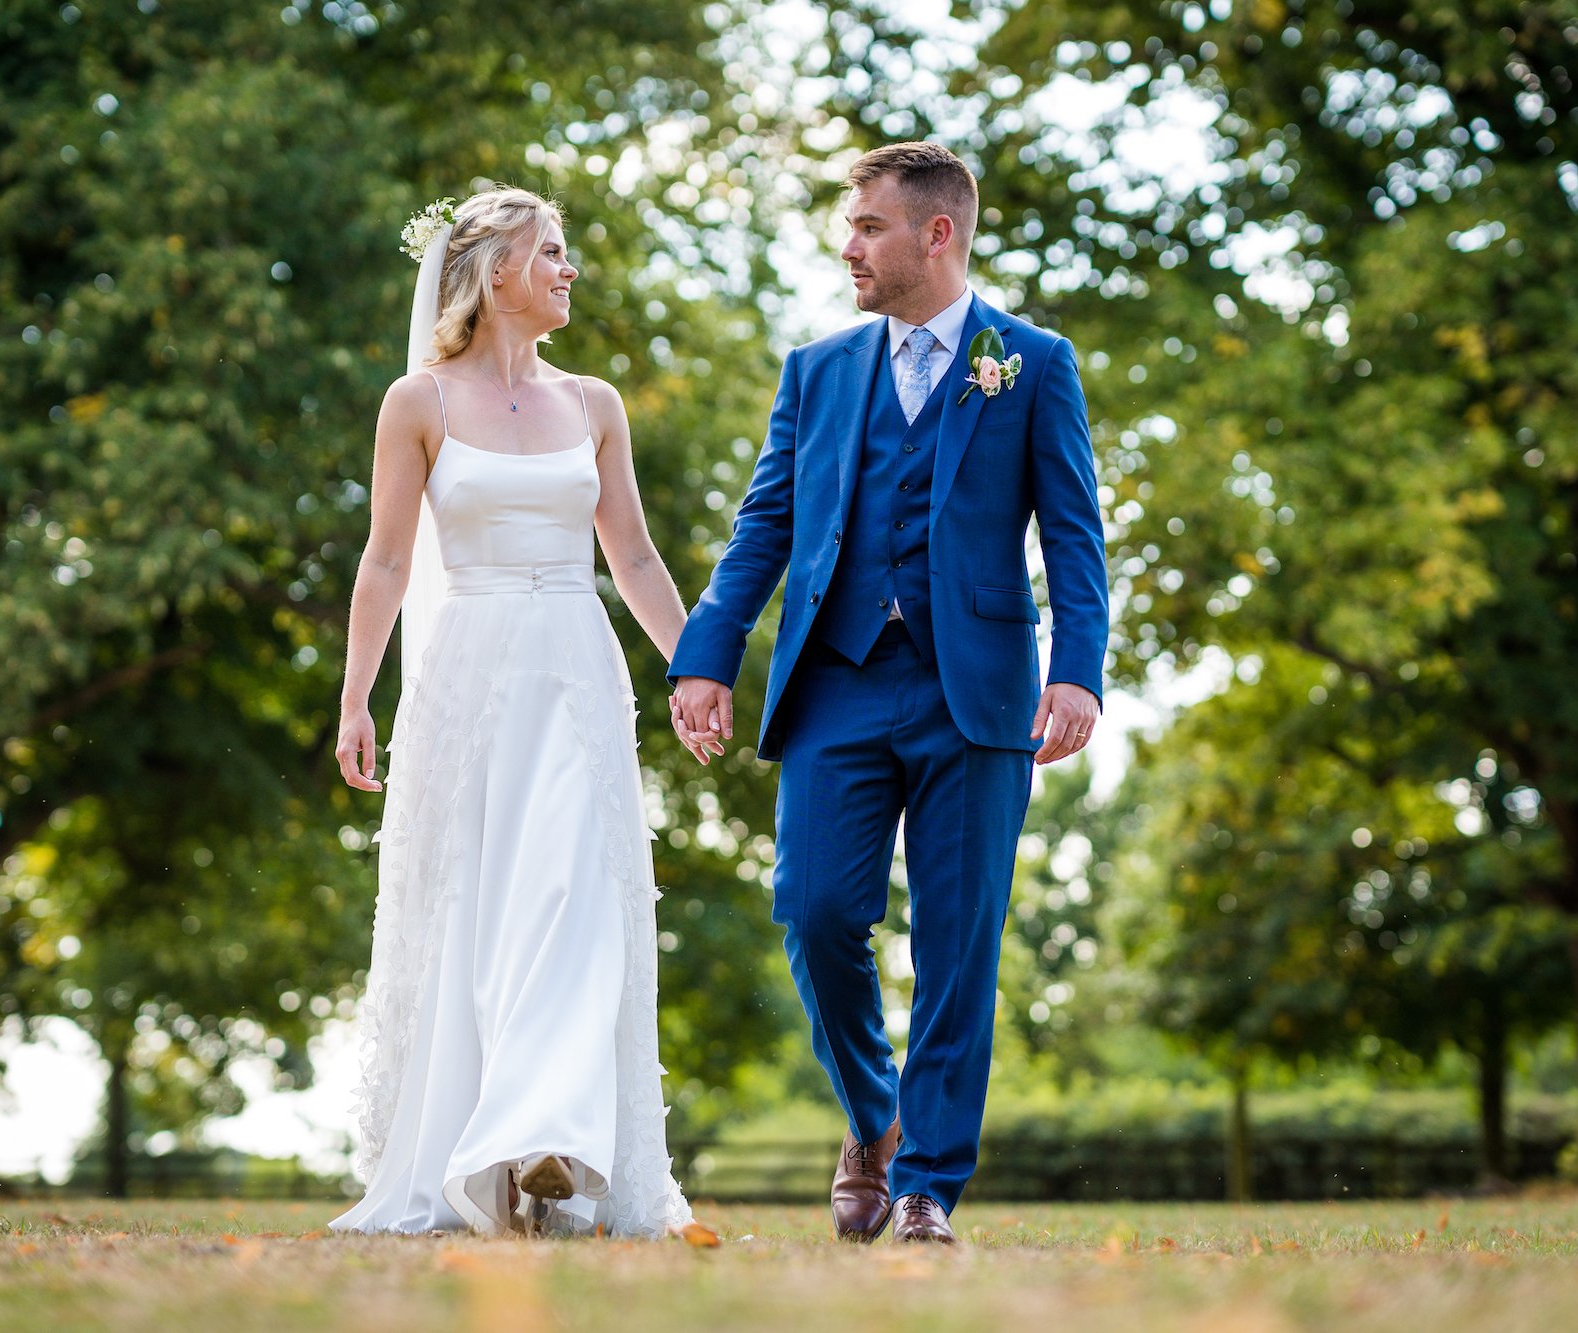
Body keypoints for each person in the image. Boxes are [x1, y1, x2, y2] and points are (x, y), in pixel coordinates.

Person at [668, 143, 1109, 1245]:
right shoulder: (815, 370)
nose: (847, 243)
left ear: (936, 234)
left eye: (866, 224)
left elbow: (1072, 534)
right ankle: (874, 1117)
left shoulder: (1032, 363)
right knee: (814, 911)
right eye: (849, 223)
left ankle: (925, 1186)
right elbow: (763, 522)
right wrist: (706, 652)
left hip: (979, 692)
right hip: (835, 686)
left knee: (959, 941)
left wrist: (1077, 670)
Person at [330, 187, 693, 1238]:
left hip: (576, 670)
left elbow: (630, 554)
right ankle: (483, 1158)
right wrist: (357, 695)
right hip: (468, 674)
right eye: (552, 253)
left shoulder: (595, 405)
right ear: (494, 275)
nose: (568, 270)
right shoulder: (419, 404)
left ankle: (551, 1140)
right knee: (480, 910)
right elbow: (387, 559)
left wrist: (694, 670)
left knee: (571, 900)